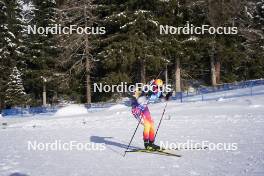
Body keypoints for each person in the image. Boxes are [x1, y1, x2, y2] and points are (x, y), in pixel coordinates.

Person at [130, 79, 171, 150]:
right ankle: (147, 145)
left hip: (145, 108)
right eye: (157, 86)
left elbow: (162, 98)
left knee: (151, 124)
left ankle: (151, 143)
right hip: (137, 109)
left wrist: (167, 96)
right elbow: (140, 98)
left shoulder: (158, 92)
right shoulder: (148, 89)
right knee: (147, 125)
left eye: (159, 87)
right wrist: (147, 93)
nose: (158, 88)